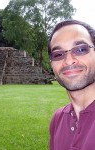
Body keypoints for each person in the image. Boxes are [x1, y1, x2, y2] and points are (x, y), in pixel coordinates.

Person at [48, 19, 95, 150]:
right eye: (58, 54)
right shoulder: (58, 119)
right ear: (52, 64)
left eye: (80, 49)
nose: (68, 61)